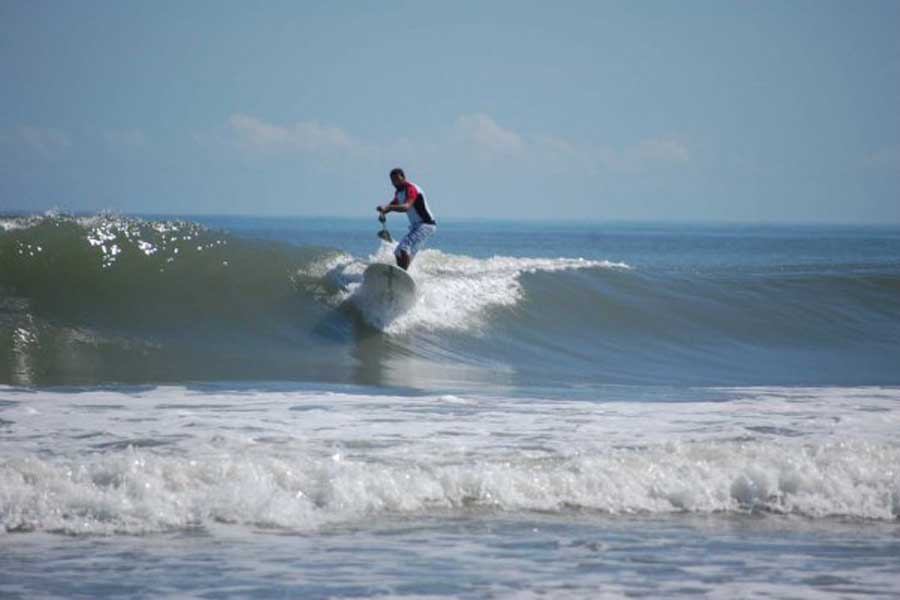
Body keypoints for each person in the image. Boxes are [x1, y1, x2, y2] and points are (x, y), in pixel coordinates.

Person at [376, 168, 437, 271]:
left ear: (403, 177)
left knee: (404, 247)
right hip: (416, 226)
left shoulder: (411, 189)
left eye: (398, 179)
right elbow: (393, 204)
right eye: (393, 180)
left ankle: (403, 273)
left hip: (426, 225)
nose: (396, 182)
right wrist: (383, 211)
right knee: (398, 251)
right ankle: (401, 274)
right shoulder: (398, 192)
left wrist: (389, 208)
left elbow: (406, 207)